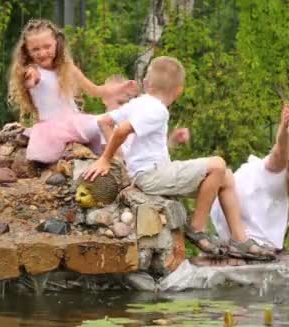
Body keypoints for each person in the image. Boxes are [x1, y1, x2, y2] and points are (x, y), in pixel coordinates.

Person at [83, 56, 275, 260]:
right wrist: (106, 158)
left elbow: (105, 121)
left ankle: (240, 240)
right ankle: (197, 228)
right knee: (217, 164)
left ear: (147, 84)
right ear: (179, 90)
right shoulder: (158, 110)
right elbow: (122, 130)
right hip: (151, 176)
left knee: (226, 176)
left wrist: (122, 161)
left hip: (154, 172)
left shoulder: (139, 103)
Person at [210, 104, 289, 270]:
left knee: (267, 250)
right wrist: (284, 126)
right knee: (247, 247)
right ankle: (238, 243)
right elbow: (280, 148)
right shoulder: (280, 162)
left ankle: (250, 246)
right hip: (241, 198)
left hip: (263, 207)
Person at [7, 19, 136, 163]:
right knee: (106, 122)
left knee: (120, 121)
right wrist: (30, 81)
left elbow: (95, 90)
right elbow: (30, 80)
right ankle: (124, 164)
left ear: (57, 42)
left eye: (47, 46)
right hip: (54, 127)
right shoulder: (33, 70)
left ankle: (122, 161)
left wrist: (122, 87)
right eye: (35, 50)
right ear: (27, 51)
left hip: (75, 121)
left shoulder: (67, 67)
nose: (42, 53)